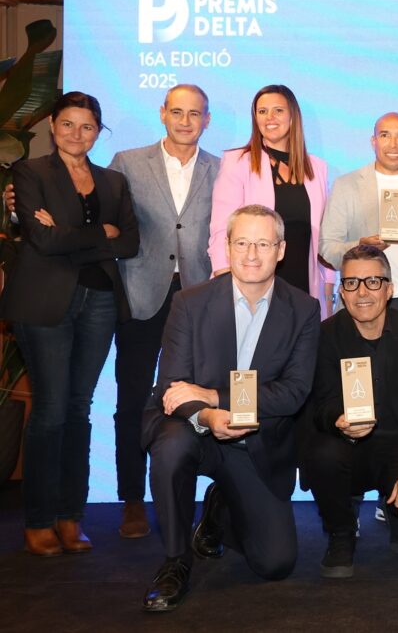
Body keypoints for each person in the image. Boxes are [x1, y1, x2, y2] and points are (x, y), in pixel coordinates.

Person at [140, 205, 320, 612]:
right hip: (194, 428)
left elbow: (293, 393)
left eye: (263, 244)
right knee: (171, 447)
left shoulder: (304, 310)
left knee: (275, 563)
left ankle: (220, 509)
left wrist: (214, 396)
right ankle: (175, 561)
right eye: (242, 243)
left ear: (281, 250)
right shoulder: (189, 302)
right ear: (227, 246)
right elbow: (171, 384)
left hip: (255, 443)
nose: (251, 254)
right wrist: (207, 414)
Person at [0, 92, 139, 556]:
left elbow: (130, 242)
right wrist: (101, 233)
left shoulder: (113, 181)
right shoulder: (30, 173)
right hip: (44, 303)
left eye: (87, 126)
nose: (77, 134)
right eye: (67, 124)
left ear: (98, 131)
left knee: (79, 408)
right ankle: (39, 519)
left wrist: (67, 234)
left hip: (100, 300)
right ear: (53, 127)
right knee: (51, 409)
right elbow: (41, 240)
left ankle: (70, 515)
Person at [105, 84, 218, 539]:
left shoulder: (221, 169)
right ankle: (133, 499)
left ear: (207, 119)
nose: (185, 121)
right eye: (177, 112)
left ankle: (192, 499)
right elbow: (101, 215)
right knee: (132, 399)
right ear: (162, 113)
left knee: (197, 397)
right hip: (141, 295)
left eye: (194, 113)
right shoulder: (128, 162)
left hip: (199, 298)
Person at [302, 244, 398, 578]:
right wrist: (337, 420)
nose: (362, 292)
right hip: (347, 446)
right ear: (342, 291)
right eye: (351, 283)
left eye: (373, 282)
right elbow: (319, 405)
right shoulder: (324, 335)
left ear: (389, 289)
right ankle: (341, 531)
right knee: (321, 454)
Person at [208, 84, 330, 318]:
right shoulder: (238, 162)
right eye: (262, 111)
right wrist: (226, 282)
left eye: (278, 110)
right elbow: (221, 229)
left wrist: (328, 288)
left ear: (293, 117)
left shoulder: (317, 168)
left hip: (304, 287)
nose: (269, 117)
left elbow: (323, 234)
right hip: (251, 285)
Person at [319, 113, 398, 326]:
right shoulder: (346, 186)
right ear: (373, 141)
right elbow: (327, 247)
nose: (393, 144)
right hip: (361, 300)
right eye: (385, 135)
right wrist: (359, 247)